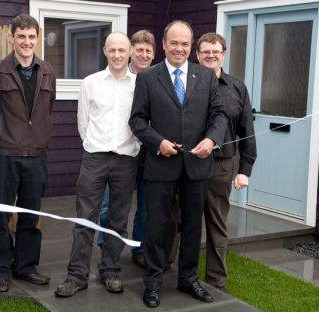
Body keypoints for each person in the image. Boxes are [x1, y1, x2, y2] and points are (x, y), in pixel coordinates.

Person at [129, 20, 227, 307]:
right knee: (157, 227)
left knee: (193, 227)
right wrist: (157, 141)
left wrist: (211, 140)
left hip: (197, 167)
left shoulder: (206, 77)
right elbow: (137, 120)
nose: (179, 48)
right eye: (174, 42)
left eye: (185, 43)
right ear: (164, 44)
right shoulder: (148, 78)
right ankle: (154, 282)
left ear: (191, 45)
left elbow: (219, 115)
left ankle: (188, 279)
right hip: (161, 164)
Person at [0, 13, 56, 293]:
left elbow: (48, 108)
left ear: (37, 39)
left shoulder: (47, 71)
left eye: (31, 36)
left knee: (30, 216)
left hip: (36, 157)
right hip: (4, 156)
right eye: (21, 36)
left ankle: (25, 267)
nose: (26, 41)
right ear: (12, 39)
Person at [55, 32, 140, 298]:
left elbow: (142, 121)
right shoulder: (90, 83)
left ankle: (111, 271)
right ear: (105, 51)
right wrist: (93, 145)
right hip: (95, 158)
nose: (117, 55)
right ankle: (77, 275)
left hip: (126, 160)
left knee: (118, 219)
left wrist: (133, 147)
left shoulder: (140, 84)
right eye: (112, 49)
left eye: (122, 50)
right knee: (85, 219)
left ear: (130, 53)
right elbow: (83, 122)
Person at [196, 32, 256, 292]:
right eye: (205, 51)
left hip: (221, 165)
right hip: (186, 164)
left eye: (215, 51)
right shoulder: (185, 83)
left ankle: (216, 280)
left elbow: (247, 129)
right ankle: (168, 269)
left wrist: (245, 169)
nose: (210, 55)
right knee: (177, 220)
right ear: (197, 55)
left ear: (223, 54)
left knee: (217, 224)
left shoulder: (237, 87)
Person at [97, 30, 156, 268]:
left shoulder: (157, 79)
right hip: (119, 152)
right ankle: (106, 248)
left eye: (148, 51)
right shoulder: (120, 77)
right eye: (139, 49)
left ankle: (139, 247)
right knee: (108, 206)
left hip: (148, 153)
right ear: (131, 51)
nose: (143, 54)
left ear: (153, 54)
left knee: (144, 205)